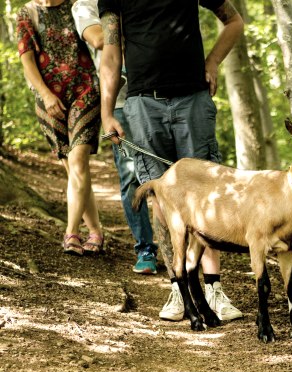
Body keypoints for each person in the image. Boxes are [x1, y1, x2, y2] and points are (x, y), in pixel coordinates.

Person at [98, 0, 244, 322]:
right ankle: (178, 287)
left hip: (193, 99)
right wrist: (107, 112)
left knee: (208, 196)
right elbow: (111, 54)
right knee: (161, 199)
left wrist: (214, 61)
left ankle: (214, 289)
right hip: (142, 105)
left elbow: (234, 21)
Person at [71, 0, 158, 274]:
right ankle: (145, 248)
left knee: (171, 171)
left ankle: (186, 247)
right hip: (120, 100)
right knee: (131, 176)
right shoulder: (83, 5)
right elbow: (99, 40)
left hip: (159, 90)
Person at [16, 0, 103, 256]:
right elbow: (27, 59)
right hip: (49, 98)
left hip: (85, 91)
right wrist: (45, 94)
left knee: (78, 161)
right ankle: (96, 231)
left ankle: (71, 233)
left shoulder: (77, 6)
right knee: (73, 168)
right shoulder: (28, 12)